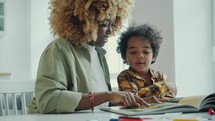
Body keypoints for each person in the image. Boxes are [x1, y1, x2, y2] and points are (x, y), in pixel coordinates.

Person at [27, 0, 153, 114]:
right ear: (84, 22)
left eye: (112, 23)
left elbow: (100, 101)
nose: (110, 30)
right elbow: (49, 101)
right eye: (104, 24)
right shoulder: (59, 49)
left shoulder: (98, 53)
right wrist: (108, 95)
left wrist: (135, 100)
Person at [116, 24, 177, 103]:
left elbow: (169, 98)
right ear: (124, 56)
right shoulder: (125, 76)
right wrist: (164, 87)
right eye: (133, 52)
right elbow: (133, 99)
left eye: (146, 52)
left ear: (154, 56)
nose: (140, 56)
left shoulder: (160, 76)